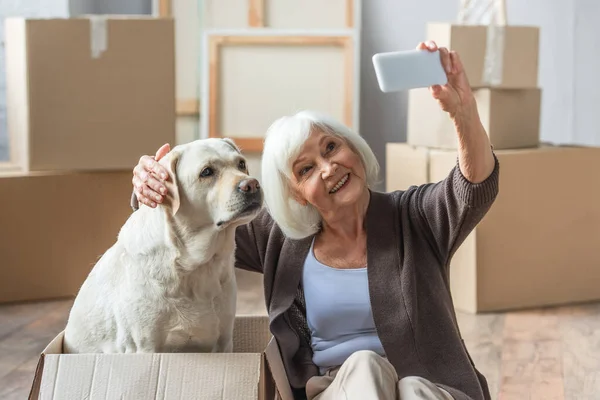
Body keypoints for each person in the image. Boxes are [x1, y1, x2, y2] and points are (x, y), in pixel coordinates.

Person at [131, 41, 498, 400]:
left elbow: (473, 187)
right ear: (296, 194)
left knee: (414, 389)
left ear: (352, 147)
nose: (328, 168)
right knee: (366, 366)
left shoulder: (413, 218)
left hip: (428, 387)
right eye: (306, 169)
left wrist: (463, 111)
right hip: (339, 390)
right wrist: (154, 187)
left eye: (331, 148)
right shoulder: (277, 238)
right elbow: (185, 229)